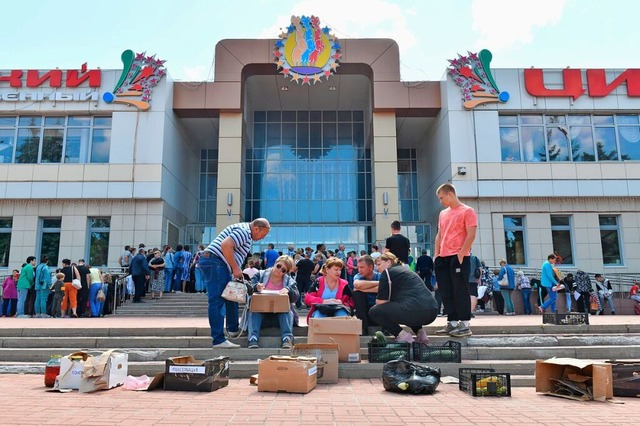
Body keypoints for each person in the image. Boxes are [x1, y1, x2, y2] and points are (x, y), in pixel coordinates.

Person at [200, 218, 271, 349]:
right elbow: (226, 245)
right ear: (256, 229)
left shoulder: (244, 230)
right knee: (217, 301)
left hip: (217, 263)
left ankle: (232, 329)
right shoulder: (245, 232)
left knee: (231, 295)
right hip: (217, 263)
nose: (262, 238)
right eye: (263, 234)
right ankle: (218, 340)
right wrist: (235, 268)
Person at [433, 183, 477, 338]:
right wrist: (436, 254)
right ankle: (452, 323)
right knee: (446, 291)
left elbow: (471, 234)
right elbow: (439, 234)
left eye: (441, 198)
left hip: (459, 257)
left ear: (450, 194)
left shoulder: (467, 211)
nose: (440, 201)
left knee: (460, 290)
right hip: (442, 258)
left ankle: (464, 325)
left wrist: (461, 254)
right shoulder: (443, 214)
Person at [369, 252, 438, 344]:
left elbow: (380, 302)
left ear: (389, 262)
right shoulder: (405, 271)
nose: (377, 268)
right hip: (432, 311)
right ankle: (420, 333)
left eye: (379, 264)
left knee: (374, 311)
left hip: (415, 309)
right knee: (407, 307)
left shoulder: (387, 272)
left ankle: (402, 336)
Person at [247, 255, 299, 349]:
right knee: (254, 310)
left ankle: (287, 338)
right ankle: (253, 338)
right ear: (275, 263)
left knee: (286, 310)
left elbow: (296, 296)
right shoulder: (260, 274)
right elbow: (249, 287)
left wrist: (288, 290)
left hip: (280, 317)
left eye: (283, 270)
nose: (279, 270)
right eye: (279, 266)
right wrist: (256, 287)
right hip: (261, 315)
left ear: (286, 272)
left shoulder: (288, 281)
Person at [352, 255, 381, 335]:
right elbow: (357, 285)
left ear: (370, 267)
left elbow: (382, 289)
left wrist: (364, 289)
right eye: (358, 267)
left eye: (362, 267)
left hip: (378, 307)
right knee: (357, 293)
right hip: (364, 309)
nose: (359, 270)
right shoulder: (358, 276)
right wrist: (380, 283)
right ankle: (363, 328)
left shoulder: (379, 276)